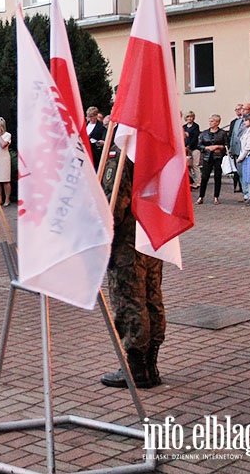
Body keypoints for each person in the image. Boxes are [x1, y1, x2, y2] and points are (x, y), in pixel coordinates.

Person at [100, 147, 165, 389]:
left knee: (130, 301)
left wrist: (102, 236)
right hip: (151, 235)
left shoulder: (124, 149)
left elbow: (114, 202)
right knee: (151, 298)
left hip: (127, 243)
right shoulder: (154, 146)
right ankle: (150, 366)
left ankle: (137, 369)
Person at [196, 114, 228, 205]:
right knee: (205, 177)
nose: (210, 123)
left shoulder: (222, 133)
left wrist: (219, 147)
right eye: (210, 121)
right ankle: (201, 196)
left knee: (217, 177)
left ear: (217, 122)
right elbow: (199, 145)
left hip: (218, 157)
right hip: (207, 157)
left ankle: (216, 197)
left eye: (213, 121)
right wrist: (207, 148)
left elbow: (226, 145)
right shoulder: (204, 133)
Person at [227, 103, 245, 194]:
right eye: (236, 109)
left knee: (241, 169)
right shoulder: (233, 122)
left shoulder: (245, 120)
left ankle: (243, 186)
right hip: (234, 147)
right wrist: (230, 148)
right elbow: (231, 135)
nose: (238, 111)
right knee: (235, 169)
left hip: (242, 149)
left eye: (240, 109)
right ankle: (236, 185)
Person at [183, 111, 201, 188]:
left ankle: (198, 181)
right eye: (188, 117)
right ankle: (191, 181)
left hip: (194, 148)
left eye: (191, 117)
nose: (189, 118)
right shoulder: (184, 127)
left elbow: (195, 137)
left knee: (195, 165)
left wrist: (189, 146)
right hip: (186, 148)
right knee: (188, 165)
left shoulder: (196, 126)